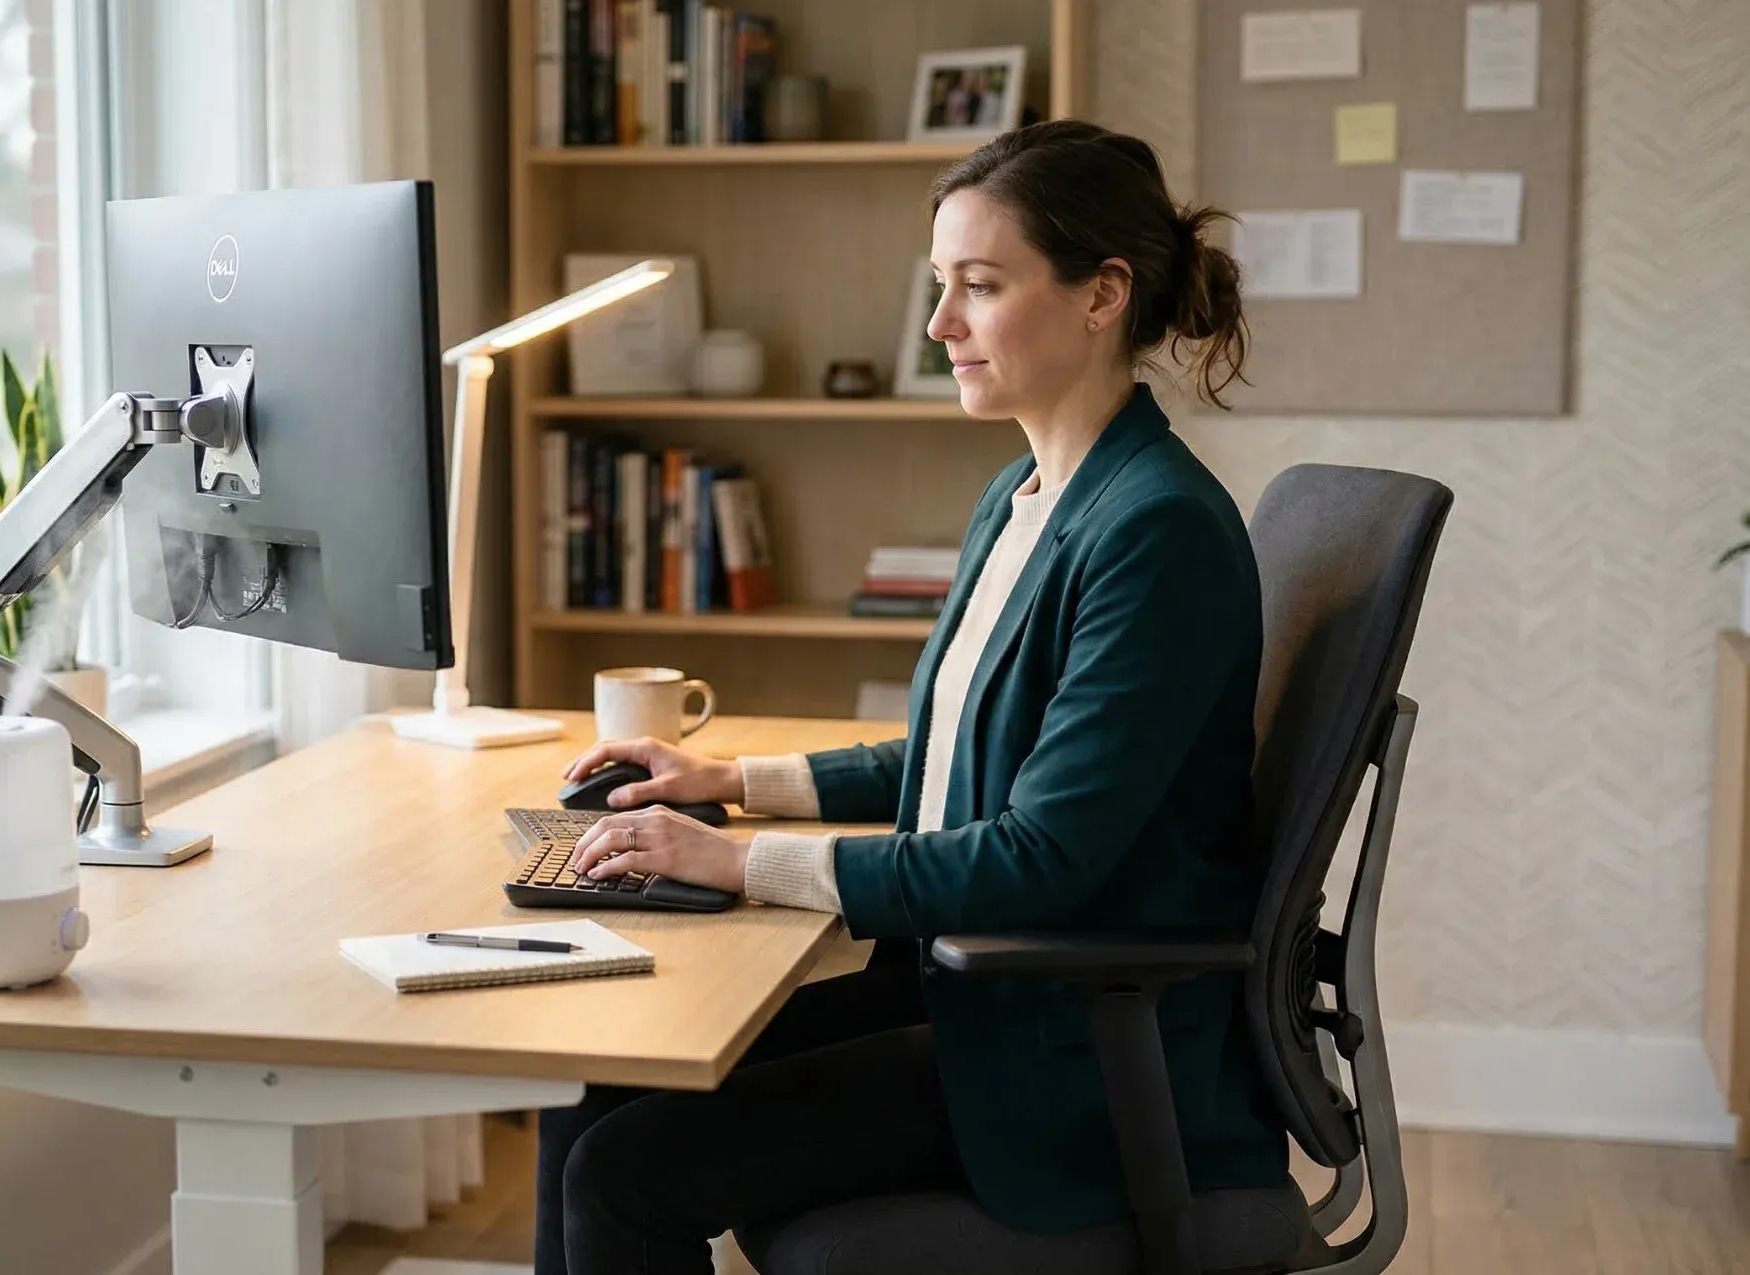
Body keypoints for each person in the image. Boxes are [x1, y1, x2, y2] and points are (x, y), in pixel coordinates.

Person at [534, 119, 1292, 1275]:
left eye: (978, 288)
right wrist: (729, 784)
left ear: (1101, 296)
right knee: (608, 1059)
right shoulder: (1027, 493)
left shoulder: (1156, 532)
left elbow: (1040, 856)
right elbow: (956, 758)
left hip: (1067, 1056)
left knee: (621, 1176)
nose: (939, 325)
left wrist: (732, 861)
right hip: (979, 999)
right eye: (940, 286)